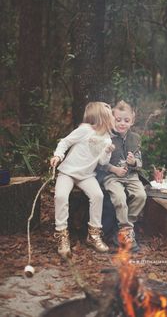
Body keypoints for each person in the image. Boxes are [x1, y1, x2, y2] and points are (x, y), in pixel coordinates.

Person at [50, 102, 115, 258]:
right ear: (102, 117)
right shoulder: (84, 130)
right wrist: (58, 155)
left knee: (97, 196)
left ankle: (93, 235)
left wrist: (107, 152)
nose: (112, 116)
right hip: (68, 172)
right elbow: (65, 142)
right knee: (60, 196)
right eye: (110, 114)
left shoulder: (107, 139)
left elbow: (103, 162)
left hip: (86, 175)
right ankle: (62, 235)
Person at [101, 100, 147, 251]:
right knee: (120, 198)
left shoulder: (135, 138)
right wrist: (113, 169)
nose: (122, 123)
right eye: (118, 120)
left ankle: (126, 229)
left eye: (126, 120)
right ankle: (125, 231)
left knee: (141, 195)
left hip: (131, 176)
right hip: (112, 176)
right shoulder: (106, 138)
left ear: (132, 121)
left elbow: (139, 162)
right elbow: (99, 162)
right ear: (112, 119)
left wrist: (133, 162)